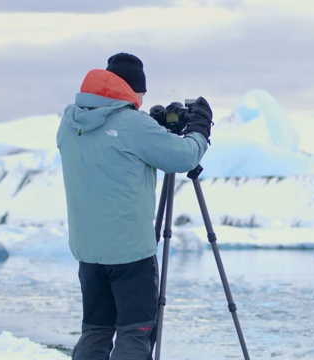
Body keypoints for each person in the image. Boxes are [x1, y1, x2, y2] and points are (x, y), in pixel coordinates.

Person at [56, 52, 213, 359]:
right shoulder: (133, 125)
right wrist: (200, 128)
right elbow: (183, 157)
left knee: (96, 331)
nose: (142, 99)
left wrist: (149, 128)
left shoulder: (69, 122)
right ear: (131, 90)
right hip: (130, 253)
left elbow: (110, 146)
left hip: (88, 251)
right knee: (135, 331)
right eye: (141, 92)